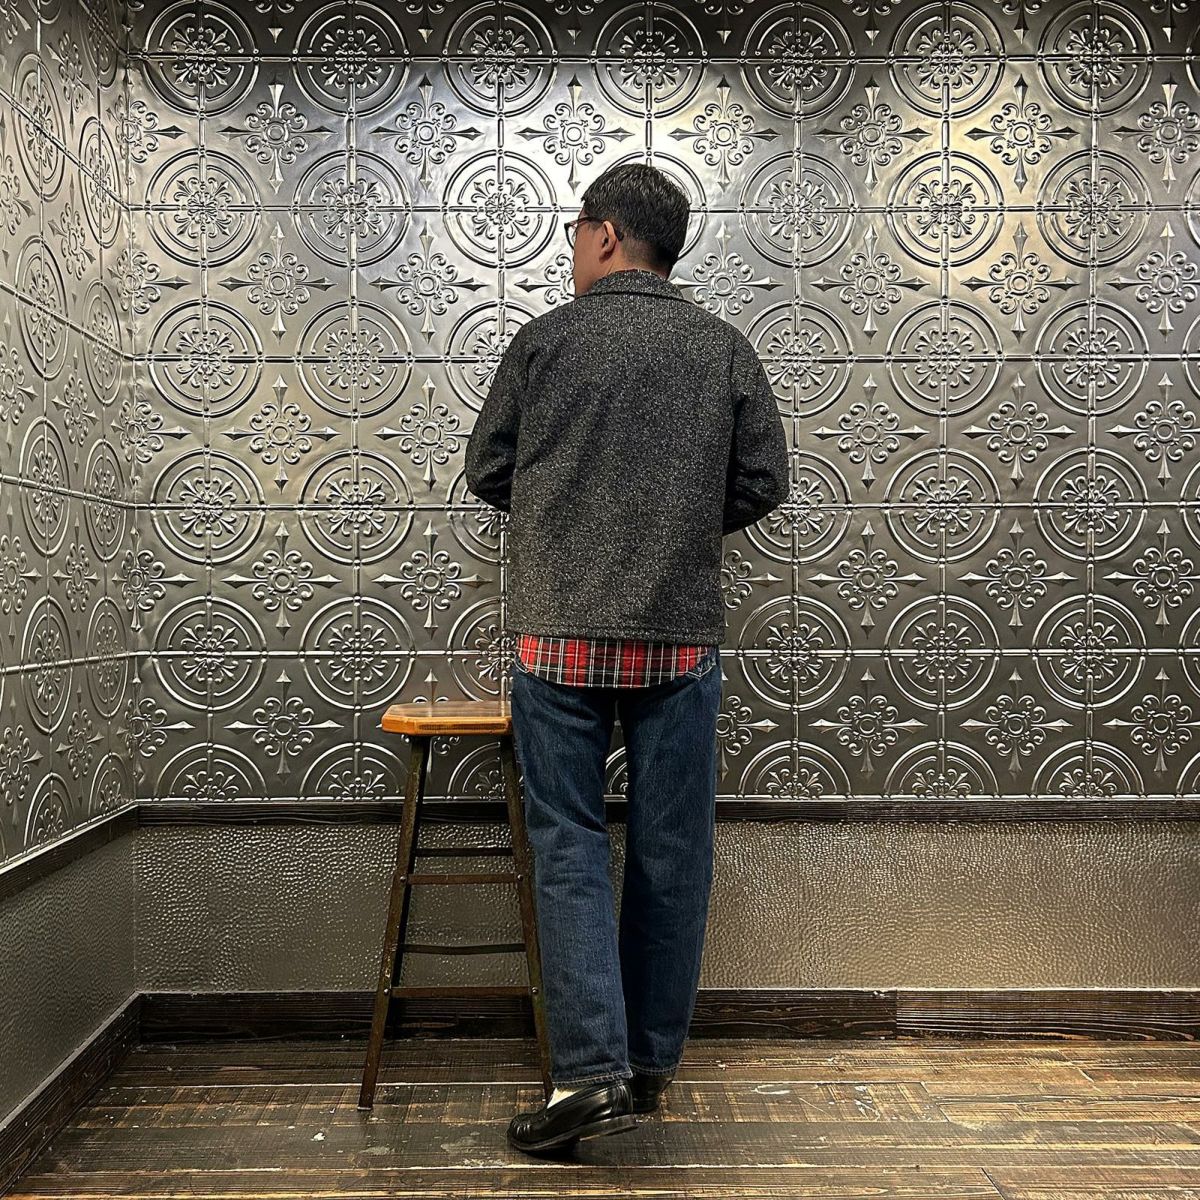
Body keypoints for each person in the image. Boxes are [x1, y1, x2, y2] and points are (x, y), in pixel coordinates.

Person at [464, 161, 790, 1155]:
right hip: (679, 637)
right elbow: (764, 480)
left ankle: (586, 1077)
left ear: (605, 235)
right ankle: (648, 1067)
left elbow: (488, 469)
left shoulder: (544, 341)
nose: (573, 249)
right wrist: (676, 527)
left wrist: (563, 522)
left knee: (567, 845)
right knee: (672, 850)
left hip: (556, 633)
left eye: (576, 231)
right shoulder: (722, 347)